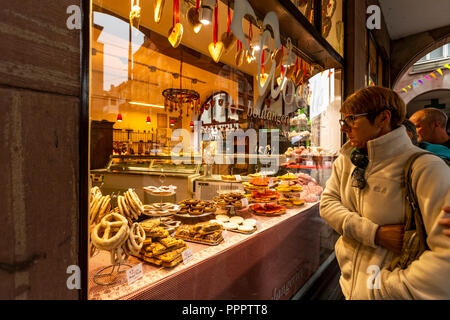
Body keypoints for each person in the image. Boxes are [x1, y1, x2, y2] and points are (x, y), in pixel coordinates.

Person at [320, 86, 450, 300]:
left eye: (351, 119)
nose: (344, 128)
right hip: (347, 287)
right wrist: (374, 233)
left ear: (383, 119)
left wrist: (386, 290)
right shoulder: (347, 159)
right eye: (343, 121)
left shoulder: (426, 168)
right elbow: (327, 204)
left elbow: (445, 259)